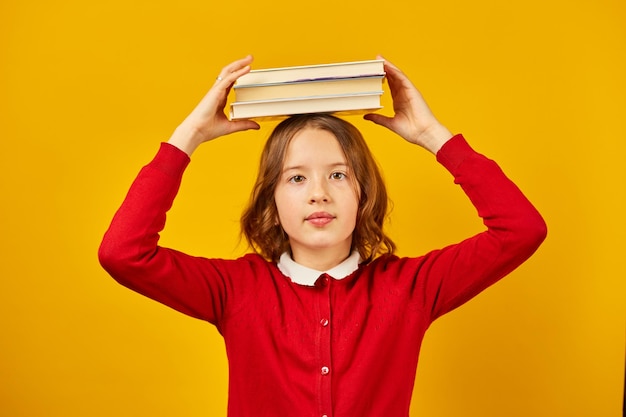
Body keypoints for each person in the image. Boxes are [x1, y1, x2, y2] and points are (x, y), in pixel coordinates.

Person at [98, 55, 547, 417]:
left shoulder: (409, 289)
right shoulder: (237, 291)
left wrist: (433, 135)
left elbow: (521, 229)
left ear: (363, 194)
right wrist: (189, 136)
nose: (318, 194)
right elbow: (123, 254)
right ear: (271, 202)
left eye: (338, 175)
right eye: (296, 179)